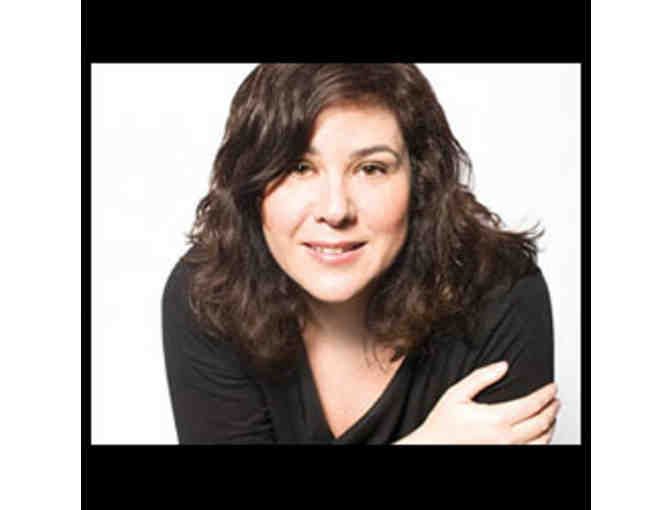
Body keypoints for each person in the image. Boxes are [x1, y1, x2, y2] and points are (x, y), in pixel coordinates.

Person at [161, 63, 558, 444]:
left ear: (420, 181)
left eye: (371, 169)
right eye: (299, 168)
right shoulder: (209, 294)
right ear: (251, 186)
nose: (336, 210)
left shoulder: (501, 291)